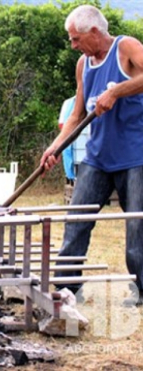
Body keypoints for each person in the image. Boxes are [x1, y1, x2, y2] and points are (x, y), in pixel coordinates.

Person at [40, 5, 143, 305]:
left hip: (135, 156)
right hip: (97, 157)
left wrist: (117, 92)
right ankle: (67, 287)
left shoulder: (126, 47)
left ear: (95, 32)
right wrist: (55, 146)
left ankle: (142, 290)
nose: (73, 46)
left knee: (137, 224)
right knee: (76, 218)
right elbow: (76, 115)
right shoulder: (84, 65)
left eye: (76, 39)